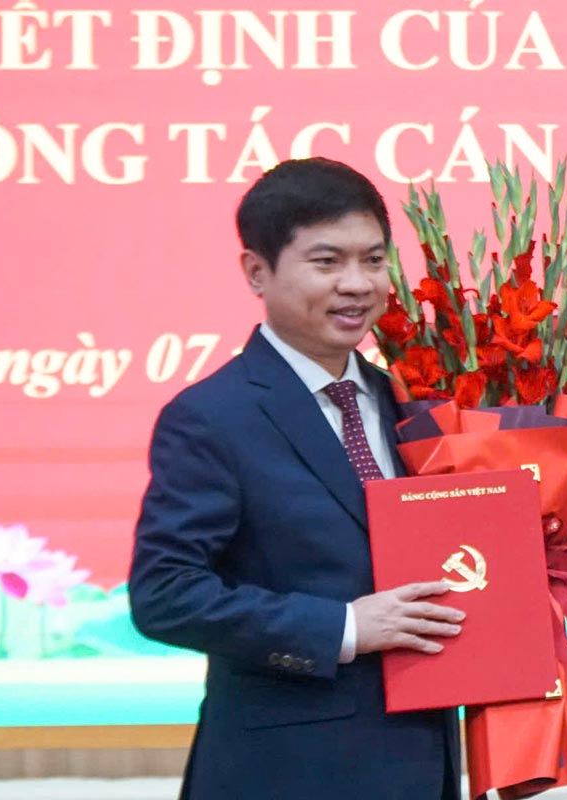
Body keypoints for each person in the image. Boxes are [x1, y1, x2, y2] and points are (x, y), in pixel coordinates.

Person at [129, 157, 465, 799]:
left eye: (373, 259)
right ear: (257, 271)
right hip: (284, 771)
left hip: (420, 765)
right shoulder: (210, 417)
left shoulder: (407, 403)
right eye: (326, 261)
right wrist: (341, 628)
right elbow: (165, 593)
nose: (357, 284)